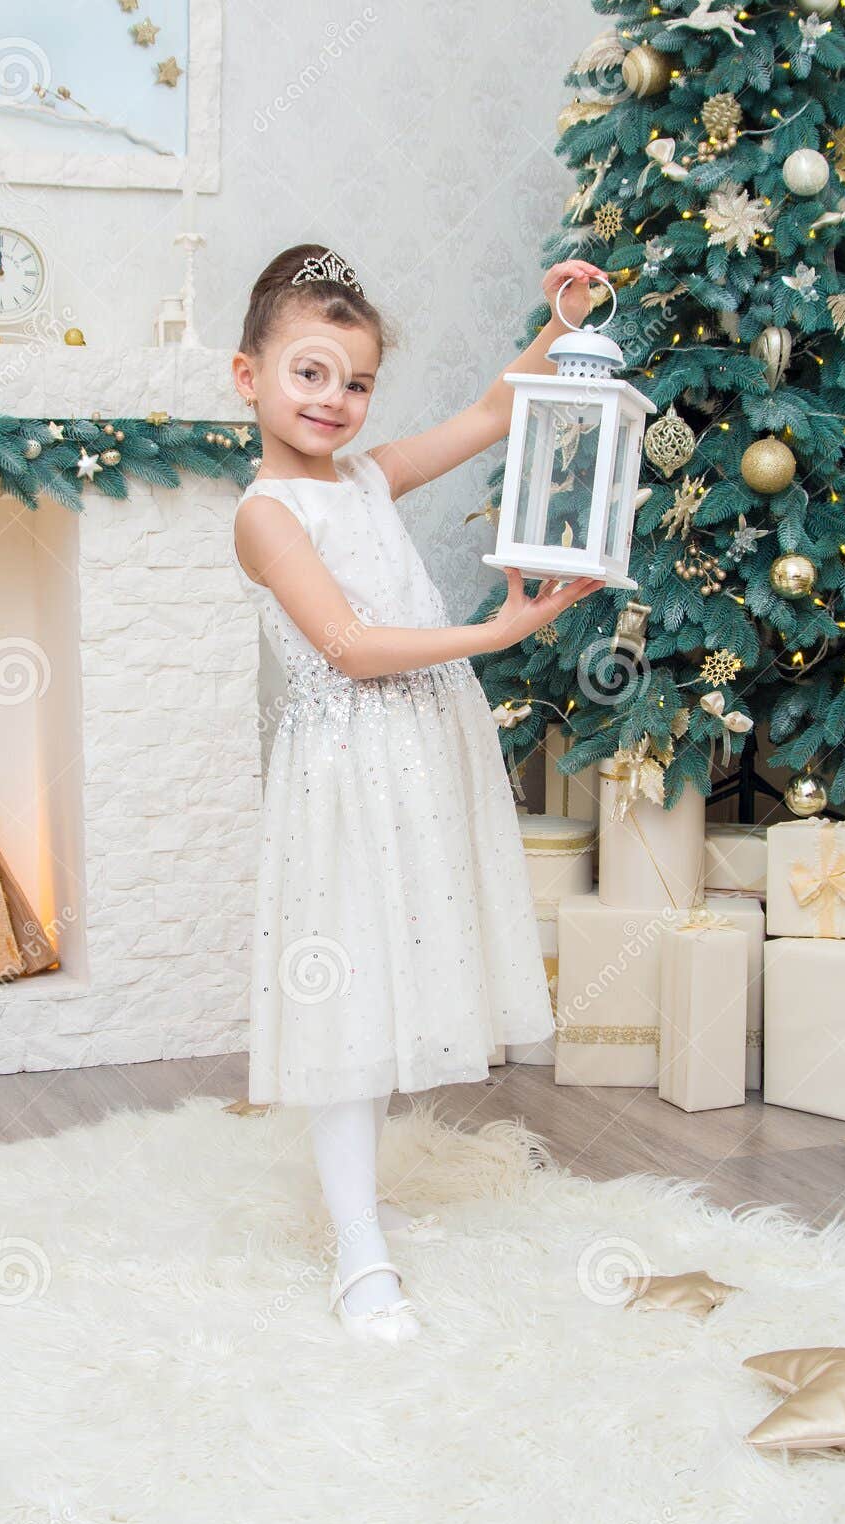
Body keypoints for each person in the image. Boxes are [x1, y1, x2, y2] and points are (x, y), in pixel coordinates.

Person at [231, 243, 607, 1346]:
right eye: (309, 373)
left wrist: (567, 320)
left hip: (421, 758)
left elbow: (496, 407)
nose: (334, 401)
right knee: (348, 1000)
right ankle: (358, 1251)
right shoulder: (267, 515)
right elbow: (346, 646)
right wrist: (495, 632)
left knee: (398, 975)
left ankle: (363, 1206)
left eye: (355, 382)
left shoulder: (366, 477)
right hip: (347, 775)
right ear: (248, 376)